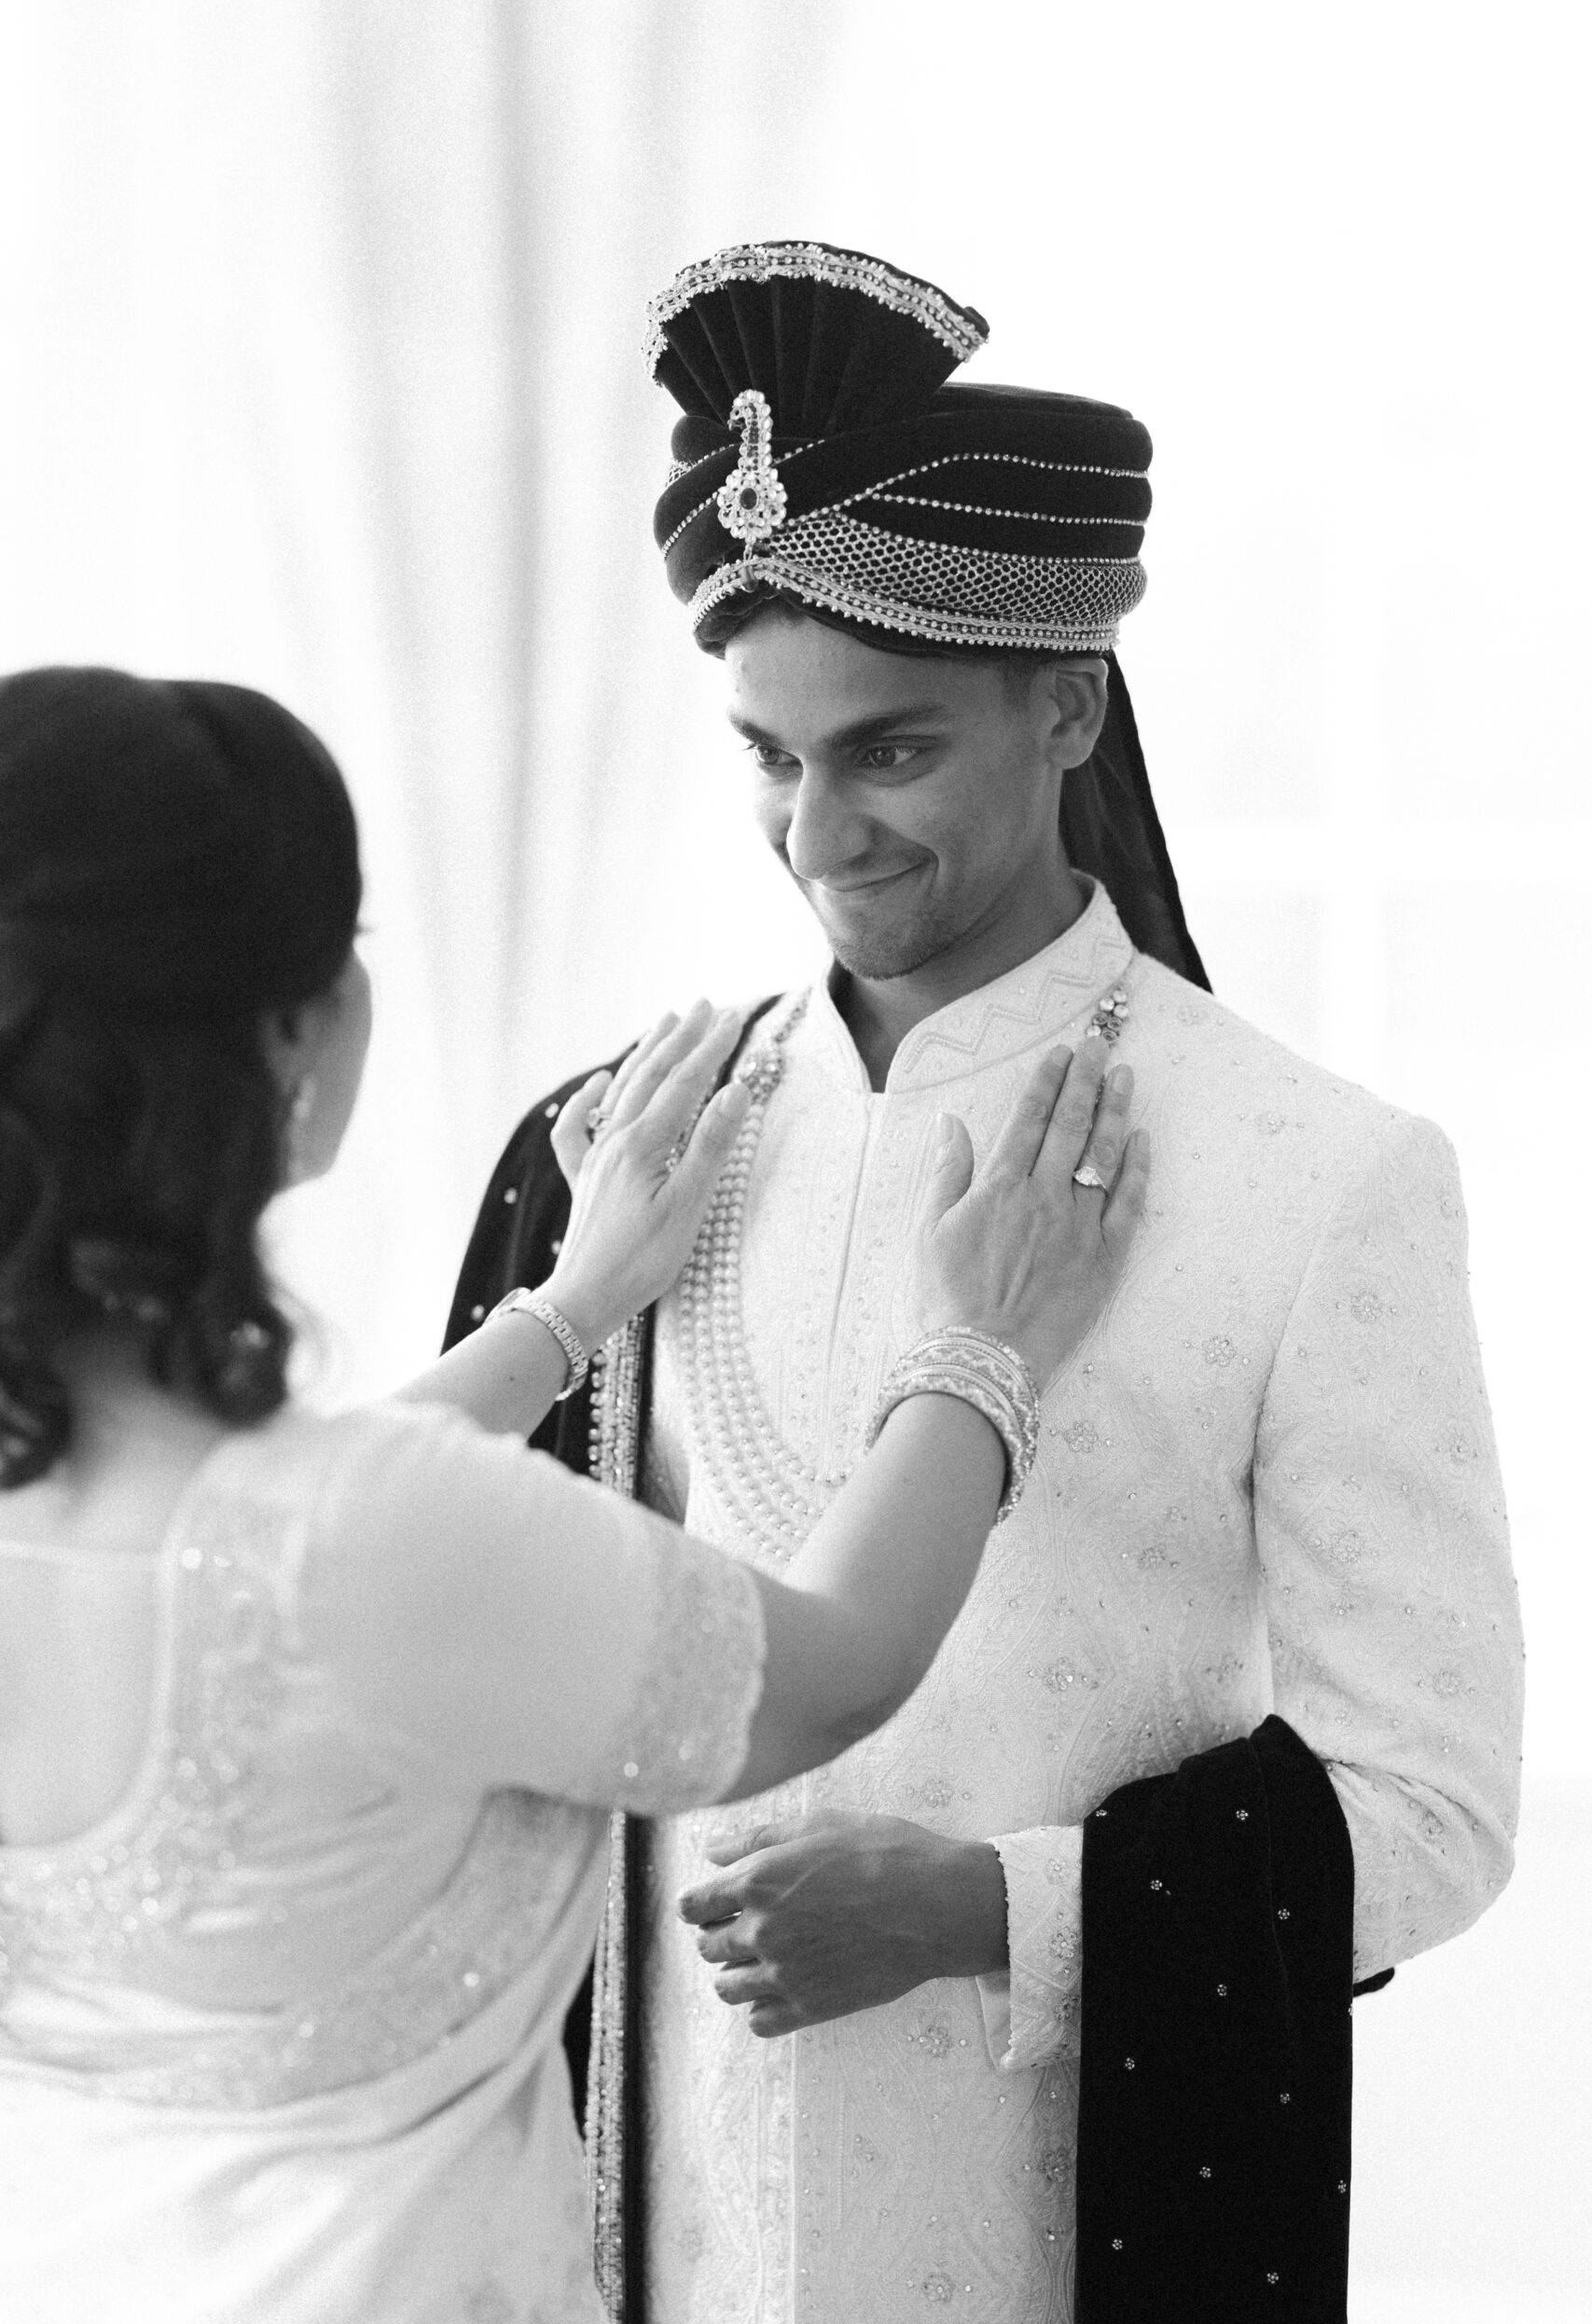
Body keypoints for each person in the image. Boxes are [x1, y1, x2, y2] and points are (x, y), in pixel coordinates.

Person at [448, 242, 1525, 2323]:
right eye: (768, 754)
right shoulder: (618, 1158)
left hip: (1053, 2235)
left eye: (889, 751)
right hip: (613, 2250)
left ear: (1067, 702)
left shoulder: (1316, 1178)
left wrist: (992, 1909)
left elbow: (1433, 1805)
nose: (818, 832)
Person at [0, 664, 1150, 2324]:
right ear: (290, 1034)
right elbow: (833, 1670)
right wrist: (981, 1348)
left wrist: (565, 1312)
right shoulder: (367, 1538)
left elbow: (273, 1530)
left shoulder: (264, 1521)